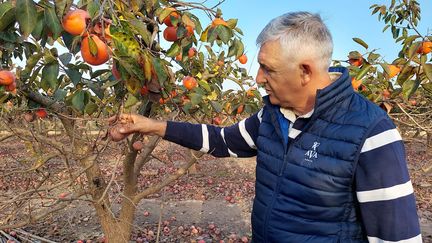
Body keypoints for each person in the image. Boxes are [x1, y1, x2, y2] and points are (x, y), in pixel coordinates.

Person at [111, 12, 422, 242]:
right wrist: (153, 125)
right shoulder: (271, 116)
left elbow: (397, 236)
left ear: (304, 71)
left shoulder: (370, 132)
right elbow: (223, 140)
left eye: (268, 69)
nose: (258, 78)